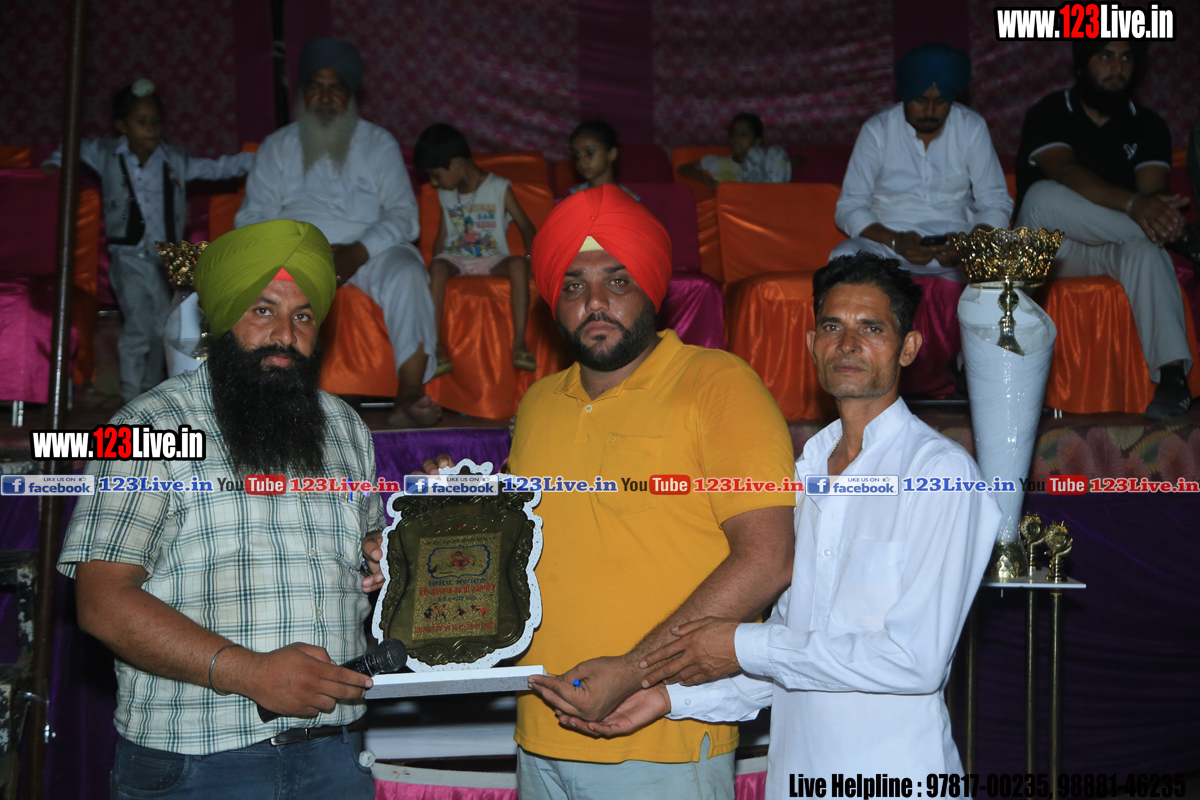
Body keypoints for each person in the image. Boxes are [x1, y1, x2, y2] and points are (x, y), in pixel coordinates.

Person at [534, 253, 1002, 796]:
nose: (848, 344)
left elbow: (913, 661)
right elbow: (791, 654)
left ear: (909, 347)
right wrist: (669, 698)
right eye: (833, 327)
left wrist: (742, 644)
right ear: (811, 344)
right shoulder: (806, 470)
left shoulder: (940, 474)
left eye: (872, 328)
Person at [58, 220, 384, 799]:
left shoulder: (345, 428)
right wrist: (250, 673)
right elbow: (102, 601)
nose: (285, 334)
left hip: (335, 752)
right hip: (197, 761)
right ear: (222, 317)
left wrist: (382, 560)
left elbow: (365, 562)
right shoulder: (146, 425)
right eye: (263, 310)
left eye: (303, 317)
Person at [511, 185, 796, 799]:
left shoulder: (719, 385)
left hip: (663, 739)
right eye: (573, 285)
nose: (594, 302)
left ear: (651, 287)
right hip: (538, 736)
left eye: (617, 281)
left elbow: (769, 557)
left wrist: (635, 671)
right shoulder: (536, 404)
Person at [236, 36, 441, 428]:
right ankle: (274, 400)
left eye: (337, 88)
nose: (326, 97)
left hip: (369, 249)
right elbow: (251, 217)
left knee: (407, 271)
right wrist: (297, 248)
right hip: (295, 250)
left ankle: (409, 394)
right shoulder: (277, 146)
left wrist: (358, 251)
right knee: (264, 280)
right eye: (316, 86)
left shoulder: (378, 143)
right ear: (302, 92)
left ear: (351, 95)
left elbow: (405, 214)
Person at [42, 79, 255, 402]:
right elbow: (73, 145)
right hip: (127, 255)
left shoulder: (174, 159)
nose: (151, 129)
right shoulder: (106, 153)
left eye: (156, 121)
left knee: (161, 327)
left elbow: (217, 168)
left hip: (162, 258)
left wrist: (259, 158)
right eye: (142, 122)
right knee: (139, 325)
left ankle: (151, 391)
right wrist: (54, 163)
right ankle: (131, 393)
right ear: (122, 126)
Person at [1015, 39, 1195, 420]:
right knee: (1042, 196)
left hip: (1115, 246)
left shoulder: (1148, 124)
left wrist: (1157, 209)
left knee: (1146, 250)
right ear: (1082, 65)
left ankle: (1172, 378)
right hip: (1051, 252)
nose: (1117, 67)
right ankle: (1182, 240)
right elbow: (1066, 171)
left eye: (1126, 58)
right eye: (1106, 56)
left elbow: (1153, 193)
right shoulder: (1049, 112)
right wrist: (1136, 208)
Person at [832, 44, 1012, 283]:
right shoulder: (877, 130)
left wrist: (969, 245)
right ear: (905, 95)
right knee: (843, 256)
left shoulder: (971, 126)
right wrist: (895, 241)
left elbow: (996, 202)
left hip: (957, 245)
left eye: (940, 102)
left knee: (1011, 263)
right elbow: (850, 206)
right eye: (920, 100)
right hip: (888, 244)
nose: (929, 111)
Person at [413, 123, 539, 374]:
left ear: (456, 163)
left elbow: (527, 226)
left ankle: (519, 344)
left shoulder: (498, 187)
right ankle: (436, 347)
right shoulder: (446, 193)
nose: (434, 183)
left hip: (491, 257)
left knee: (516, 264)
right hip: (456, 257)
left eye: (436, 175)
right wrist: (435, 266)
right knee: (437, 267)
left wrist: (529, 258)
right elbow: (442, 236)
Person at [678, 112, 792, 189]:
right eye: (734, 134)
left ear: (756, 141)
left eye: (744, 135)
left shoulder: (767, 161)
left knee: (775, 151)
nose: (737, 139)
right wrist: (707, 180)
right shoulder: (718, 162)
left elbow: (793, 162)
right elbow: (684, 168)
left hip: (765, 202)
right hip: (736, 209)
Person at [567, 120, 640, 200]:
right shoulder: (574, 197)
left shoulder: (629, 199)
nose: (581, 161)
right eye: (577, 155)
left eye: (590, 153)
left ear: (612, 153)